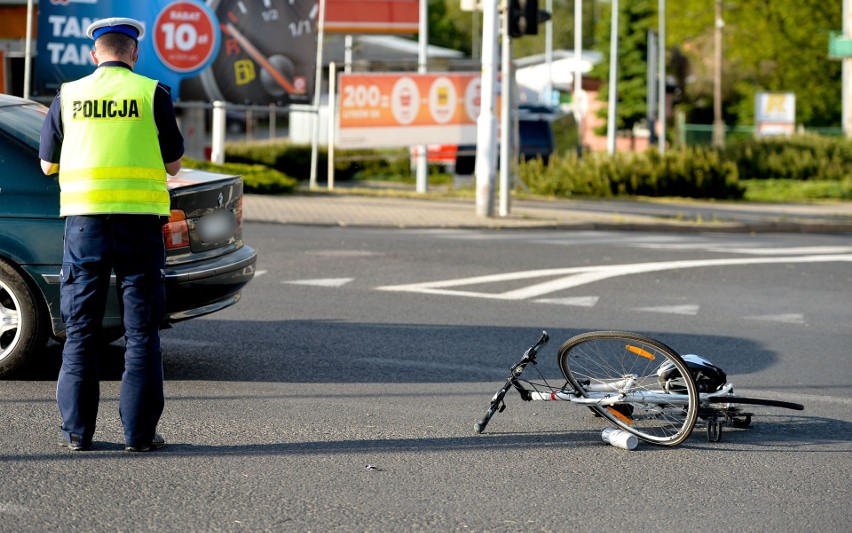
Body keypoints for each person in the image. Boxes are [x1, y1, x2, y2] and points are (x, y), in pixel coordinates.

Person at [39, 17, 184, 452]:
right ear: (134, 53)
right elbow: (174, 165)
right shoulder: (151, 93)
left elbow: (48, 165)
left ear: (94, 54)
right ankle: (139, 437)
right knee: (141, 334)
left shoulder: (69, 94)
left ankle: (78, 434)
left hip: (85, 227)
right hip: (139, 225)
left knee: (80, 332)